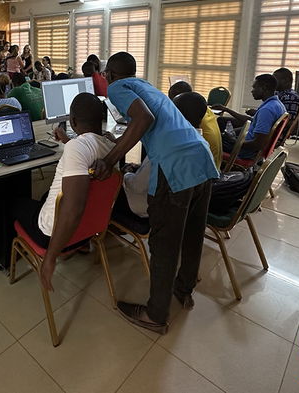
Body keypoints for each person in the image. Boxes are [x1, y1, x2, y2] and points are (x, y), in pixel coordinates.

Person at [85, 52, 219, 335]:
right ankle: (183, 290)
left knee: (164, 244)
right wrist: (119, 142)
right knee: (192, 234)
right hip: (201, 159)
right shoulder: (145, 84)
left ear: (108, 74)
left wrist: (110, 160)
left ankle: (156, 315)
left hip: (176, 169)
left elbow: (142, 118)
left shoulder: (116, 87)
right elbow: (146, 119)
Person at [11, 92, 114, 253]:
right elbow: (88, 145)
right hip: (89, 229)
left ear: (72, 121)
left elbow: (74, 208)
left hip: (52, 235)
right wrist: (68, 141)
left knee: (14, 202)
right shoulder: (112, 146)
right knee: (46, 195)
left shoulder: (76, 147)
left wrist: (50, 259)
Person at [114, 91, 219, 220]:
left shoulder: (168, 146)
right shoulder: (200, 143)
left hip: (150, 207)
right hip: (182, 207)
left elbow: (137, 186)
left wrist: (126, 175)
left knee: (113, 184)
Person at [215, 74, 286, 160]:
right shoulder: (277, 105)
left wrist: (234, 142)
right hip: (247, 147)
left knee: (210, 140)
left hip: (244, 152)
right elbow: (252, 121)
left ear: (264, 88)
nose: (252, 91)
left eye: (255, 88)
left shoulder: (267, 110)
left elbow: (258, 144)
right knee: (221, 135)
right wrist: (226, 110)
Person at [168, 81, 222, 168]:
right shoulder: (202, 109)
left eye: (173, 101)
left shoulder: (193, 121)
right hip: (214, 165)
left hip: (206, 170)